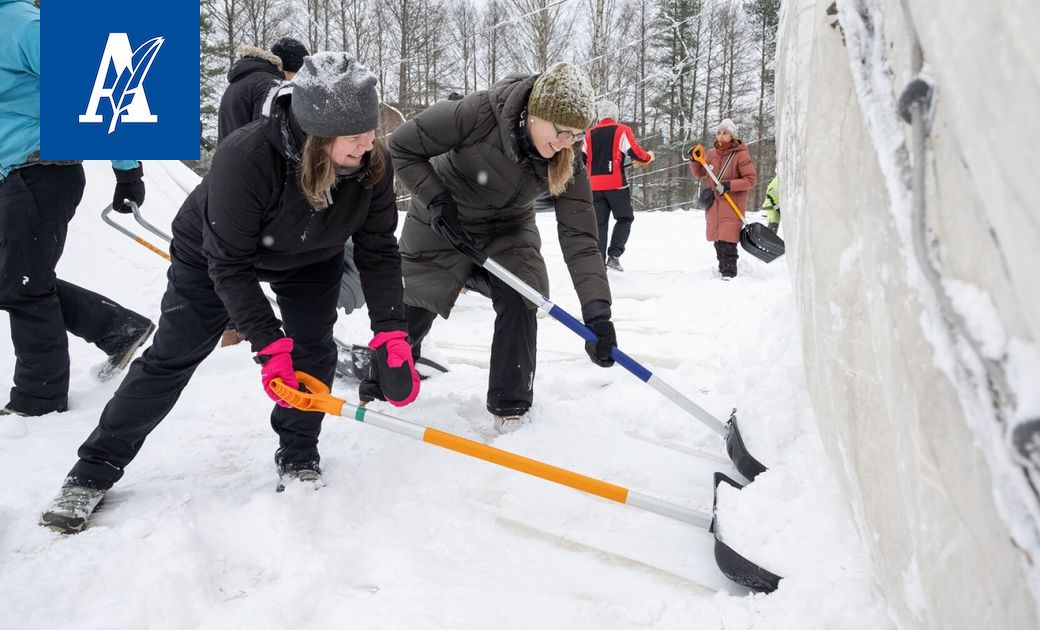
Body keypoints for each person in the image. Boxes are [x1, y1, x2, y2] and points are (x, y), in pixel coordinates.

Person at [39, 52, 420, 534]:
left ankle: (299, 454)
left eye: (370, 134)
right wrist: (267, 344)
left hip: (310, 256)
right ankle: (92, 470)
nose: (367, 148)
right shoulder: (247, 157)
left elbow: (378, 249)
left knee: (313, 352)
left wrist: (391, 332)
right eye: (354, 138)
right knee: (172, 356)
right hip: (213, 252)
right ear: (317, 133)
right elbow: (229, 264)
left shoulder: (371, 164)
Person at [386, 61, 618, 433]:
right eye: (561, 132)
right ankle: (383, 376)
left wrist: (598, 314)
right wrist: (437, 200)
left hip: (508, 228)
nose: (565, 144)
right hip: (445, 217)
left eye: (575, 135)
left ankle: (510, 405)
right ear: (536, 113)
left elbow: (581, 238)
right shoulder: (477, 113)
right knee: (418, 300)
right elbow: (402, 145)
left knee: (523, 294)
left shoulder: (567, 158)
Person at [0, 0, 155, 418]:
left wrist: (128, 170)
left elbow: (100, 89)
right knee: (15, 279)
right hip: (11, 176)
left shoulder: (21, 24)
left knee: (23, 285)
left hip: (41, 173)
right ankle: (119, 329)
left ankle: (39, 398)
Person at [581, 100, 653, 272]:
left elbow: (582, 160)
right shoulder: (622, 130)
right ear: (615, 115)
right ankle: (614, 255)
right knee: (625, 218)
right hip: (616, 185)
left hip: (594, 187)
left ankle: (599, 262)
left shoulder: (588, 134)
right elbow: (636, 153)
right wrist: (648, 157)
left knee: (600, 224)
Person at [688, 118, 758, 280]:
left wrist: (728, 186)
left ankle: (729, 272)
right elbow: (699, 174)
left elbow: (750, 179)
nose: (721, 136)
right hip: (714, 206)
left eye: (725, 133)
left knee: (728, 240)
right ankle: (722, 269)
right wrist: (694, 160)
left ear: (732, 136)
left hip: (731, 205)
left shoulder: (741, 156)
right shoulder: (711, 154)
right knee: (718, 241)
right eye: (719, 132)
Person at [216, 37, 310, 144]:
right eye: (299, 74)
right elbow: (267, 139)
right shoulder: (269, 86)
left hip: (230, 158)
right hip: (251, 159)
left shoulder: (241, 81)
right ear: (290, 69)